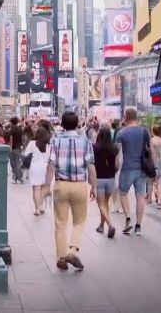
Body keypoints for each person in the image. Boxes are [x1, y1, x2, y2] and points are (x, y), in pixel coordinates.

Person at [46, 111, 97, 271]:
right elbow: (90, 165)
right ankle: (73, 251)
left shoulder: (55, 141)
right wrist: (94, 185)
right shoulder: (85, 142)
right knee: (79, 221)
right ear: (77, 124)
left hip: (61, 185)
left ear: (62, 124)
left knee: (60, 223)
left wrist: (47, 186)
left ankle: (61, 256)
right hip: (79, 185)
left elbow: (51, 165)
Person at [115, 108, 151, 236]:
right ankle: (138, 226)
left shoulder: (122, 132)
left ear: (126, 117)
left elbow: (117, 151)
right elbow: (149, 149)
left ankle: (128, 218)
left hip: (127, 168)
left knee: (123, 193)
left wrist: (116, 165)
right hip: (142, 168)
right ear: (136, 117)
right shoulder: (144, 131)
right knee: (140, 196)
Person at [93, 125, 119, 238]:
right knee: (105, 204)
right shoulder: (114, 148)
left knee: (101, 204)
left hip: (99, 178)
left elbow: (91, 164)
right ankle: (101, 225)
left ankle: (110, 225)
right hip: (111, 178)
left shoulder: (94, 147)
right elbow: (117, 166)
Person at [24, 126, 51, 216]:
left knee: (36, 189)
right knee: (43, 188)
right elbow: (49, 157)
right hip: (45, 167)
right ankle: (41, 206)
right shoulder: (47, 145)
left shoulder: (32, 143)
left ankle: (37, 209)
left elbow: (26, 154)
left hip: (34, 167)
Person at [148, 124, 161, 208]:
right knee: (160, 182)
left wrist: (153, 164)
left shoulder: (151, 141)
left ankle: (149, 199)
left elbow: (152, 153)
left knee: (150, 182)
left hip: (153, 163)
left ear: (153, 131)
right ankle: (159, 201)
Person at [9, 117, 25, 183]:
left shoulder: (12, 129)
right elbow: (23, 138)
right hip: (19, 147)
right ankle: (16, 178)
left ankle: (18, 178)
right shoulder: (20, 129)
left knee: (14, 163)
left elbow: (11, 139)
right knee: (17, 162)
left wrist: (10, 148)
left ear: (11, 122)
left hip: (14, 148)